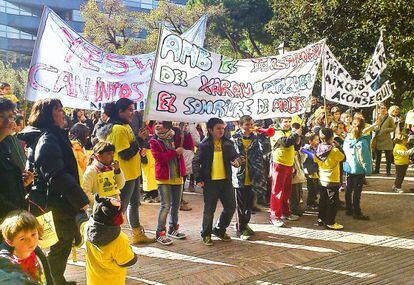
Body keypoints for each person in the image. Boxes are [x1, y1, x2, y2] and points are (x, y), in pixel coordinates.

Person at [18, 98, 89, 285]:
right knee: (62, 242)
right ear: (48, 114)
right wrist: (80, 199)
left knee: (61, 243)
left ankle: (56, 279)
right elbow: (55, 174)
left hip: (53, 200)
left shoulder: (48, 135)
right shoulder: (48, 137)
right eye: (58, 109)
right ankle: (53, 280)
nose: (63, 113)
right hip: (55, 202)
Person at [96, 98, 154, 244]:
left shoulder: (124, 126)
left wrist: (139, 140)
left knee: (135, 204)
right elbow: (125, 154)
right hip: (125, 176)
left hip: (133, 173)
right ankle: (112, 238)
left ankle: (137, 233)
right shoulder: (118, 129)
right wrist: (139, 140)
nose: (132, 113)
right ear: (120, 111)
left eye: (132, 110)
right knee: (121, 207)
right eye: (129, 110)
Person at [193, 118, 243, 246]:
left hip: (226, 182)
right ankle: (206, 233)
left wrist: (237, 161)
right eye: (218, 128)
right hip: (210, 183)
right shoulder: (204, 145)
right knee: (209, 210)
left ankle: (220, 229)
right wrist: (198, 178)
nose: (221, 130)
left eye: (223, 128)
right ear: (210, 130)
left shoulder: (228, 143)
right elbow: (196, 162)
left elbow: (236, 156)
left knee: (231, 207)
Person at [232, 115, 271, 240]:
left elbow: (265, 150)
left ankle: (245, 224)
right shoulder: (234, 139)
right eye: (246, 125)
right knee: (241, 205)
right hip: (239, 176)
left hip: (254, 176)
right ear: (240, 125)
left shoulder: (256, 138)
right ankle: (240, 228)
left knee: (249, 205)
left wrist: (262, 136)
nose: (249, 127)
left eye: (251, 125)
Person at [150, 121, 187, 245]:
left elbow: (189, 145)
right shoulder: (154, 141)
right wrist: (175, 152)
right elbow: (159, 158)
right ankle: (160, 233)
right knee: (165, 206)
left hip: (177, 176)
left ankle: (173, 229)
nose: (157, 125)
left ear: (167, 125)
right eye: (156, 123)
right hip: (164, 178)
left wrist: (185, 132)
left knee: (176, 205)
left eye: (160, 123)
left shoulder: (177, 136)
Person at [85, 196, 137, 285]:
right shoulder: (119, 239)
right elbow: (128, 260)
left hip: (93, 281)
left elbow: (80, 221)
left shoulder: (87, 228)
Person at [0, 98, 33, 228]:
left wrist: (21, 183)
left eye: (11, 116)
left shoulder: (6, 146)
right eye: (1, 117)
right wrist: (19, 216)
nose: (8, 121)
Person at [0, 210, 54, 284]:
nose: (31, 241)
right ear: (10, 242)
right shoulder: (11, 267)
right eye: (22, 239)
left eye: (33, 234)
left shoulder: (38, 256)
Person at [269, 118, 301, 227]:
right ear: (279, 122)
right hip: (279, 164)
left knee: (287, 191)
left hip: (289, 164)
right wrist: (296, 135)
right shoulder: (275, 131)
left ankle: (285, 212)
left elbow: (296, 146)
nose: (287, 124)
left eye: (289, 121)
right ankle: (275, 216)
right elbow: (286, 143)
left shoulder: (290, 132)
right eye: (285, 121)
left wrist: (298, 138)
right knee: (277, 191)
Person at [314, 128, 345, 230]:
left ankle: (321, 218)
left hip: (322, 178)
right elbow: (343, 158)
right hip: (332, 179)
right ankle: (330, 221)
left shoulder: (318, 148)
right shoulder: (334, 150)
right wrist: (339, 147)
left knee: (323, 200)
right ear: (331, 137)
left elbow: (315, 159)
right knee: (332, 201)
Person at [343, 117, 372, 220]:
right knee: (357, 191)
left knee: (349, 188)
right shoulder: (362, 143)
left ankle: (349, 208)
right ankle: (357, 211)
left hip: (349, 167)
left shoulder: (347, 139)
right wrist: (368, 170)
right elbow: (365, 159)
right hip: (359, 169)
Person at [82, 141, 125, 206]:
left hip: (114, 207)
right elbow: (86, 192)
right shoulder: (91, 171)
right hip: (98, 211)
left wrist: (117, 171)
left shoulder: (113, 168)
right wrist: (100, 204)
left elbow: (121, 185)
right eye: (108, 153)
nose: (112, 156)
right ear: (98, 155)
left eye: (113, 153)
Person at [373, 103, 396, 175]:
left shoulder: (389, 118)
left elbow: (393, 128)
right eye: (381, 108)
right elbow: (373, 128)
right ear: (379, 110)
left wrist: (386, 130)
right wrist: (376, 127)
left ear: (386, 110)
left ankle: (388, 171)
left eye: (384, 108)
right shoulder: (376, 118)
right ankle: (377, 170)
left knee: (388, 156)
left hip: (386, 139)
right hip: (378, 138)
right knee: (378, 156)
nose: (383, 110)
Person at [302, 132, 320, 211]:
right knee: (311, 187)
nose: (318, 141)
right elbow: (313, 156)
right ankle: (310, 202)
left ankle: (314, 200)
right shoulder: (306, 148)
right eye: (316, 140)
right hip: (309, 170)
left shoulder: (316, 147)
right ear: (310, 141)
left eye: (318, 140)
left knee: (315, 186)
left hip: (315, 170)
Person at [69, 123, 90, 187]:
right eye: (86, 136)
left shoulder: (71, 145)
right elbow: (82, 166)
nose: (88, 138)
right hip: (80, 183)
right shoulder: (76, 148)